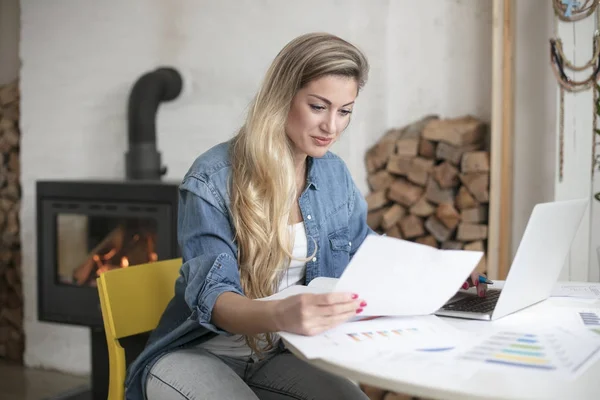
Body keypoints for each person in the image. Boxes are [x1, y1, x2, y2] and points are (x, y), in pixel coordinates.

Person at [124, 32, 486, 400]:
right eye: (318, 106)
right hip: (197, 354)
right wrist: (282, 314)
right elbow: (215, 300)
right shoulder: (212, 178)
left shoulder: (333, 175)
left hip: (277, 353)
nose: (332, 126)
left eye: (344, 111)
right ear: (283, 98)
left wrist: (441, 275)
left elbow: (367, 251)